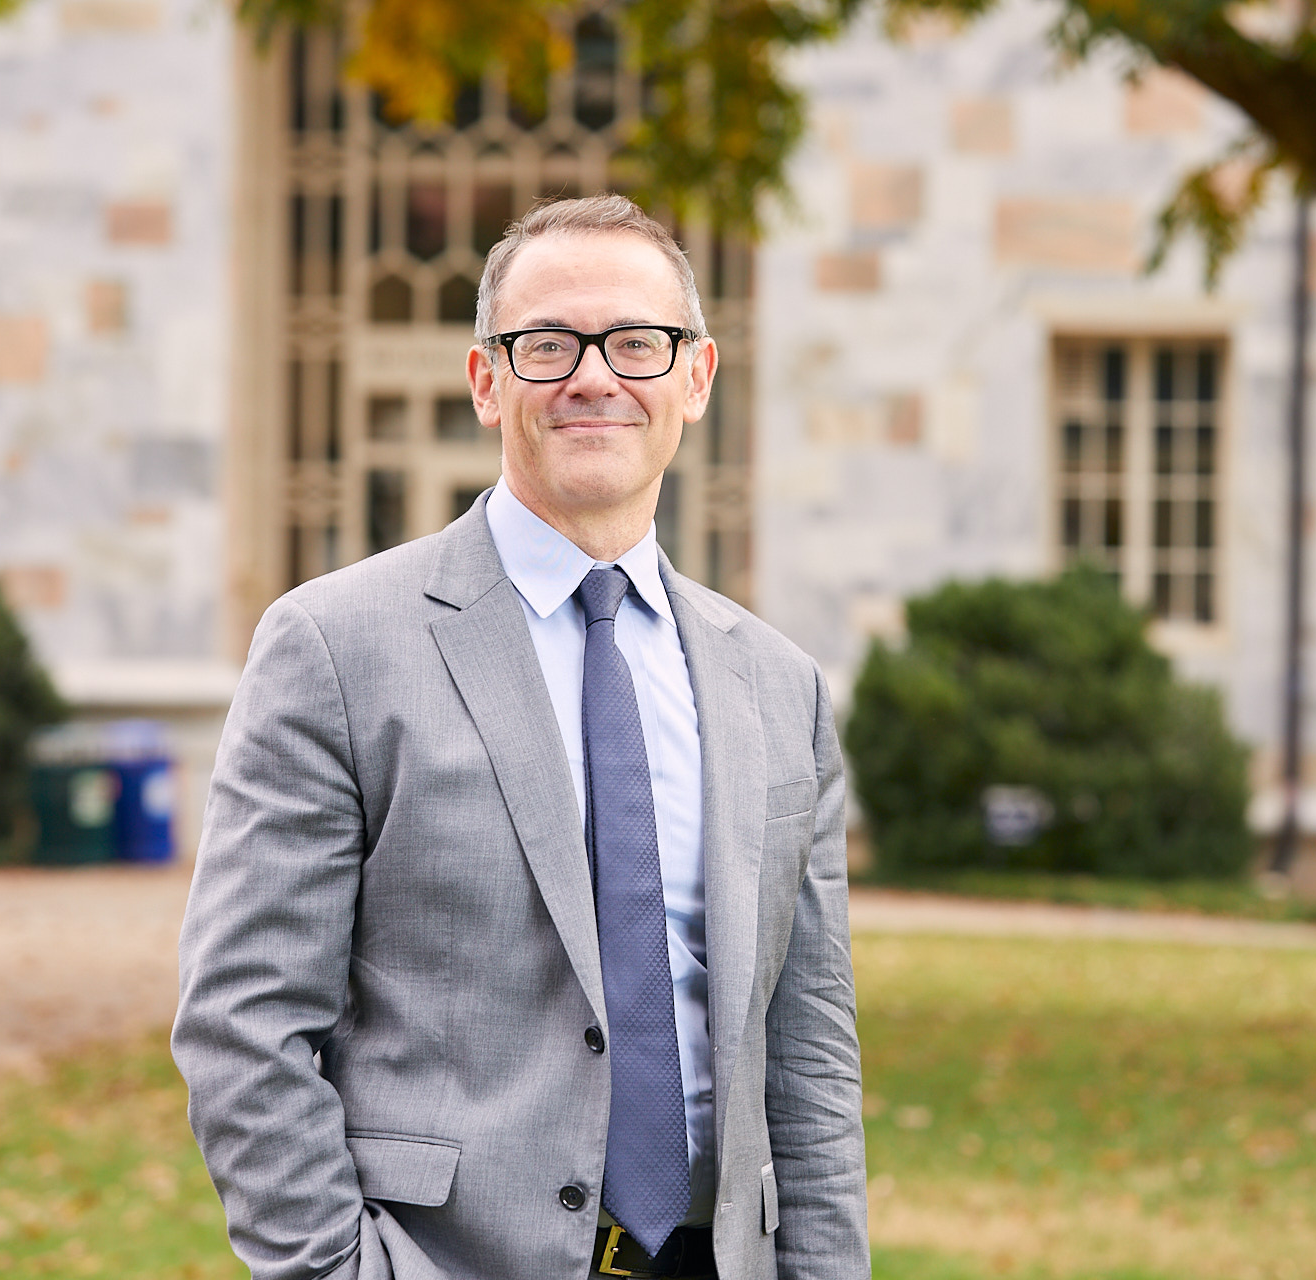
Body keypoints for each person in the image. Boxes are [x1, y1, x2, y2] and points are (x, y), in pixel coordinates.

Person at [172, 194, 868, 1280]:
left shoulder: (781, 688)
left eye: (638, 341)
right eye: (548, 345)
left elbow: (809, 1048)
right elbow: (243, 1021)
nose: (596, 376)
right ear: (488, 381)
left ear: (696, 376)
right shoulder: (335, 647)